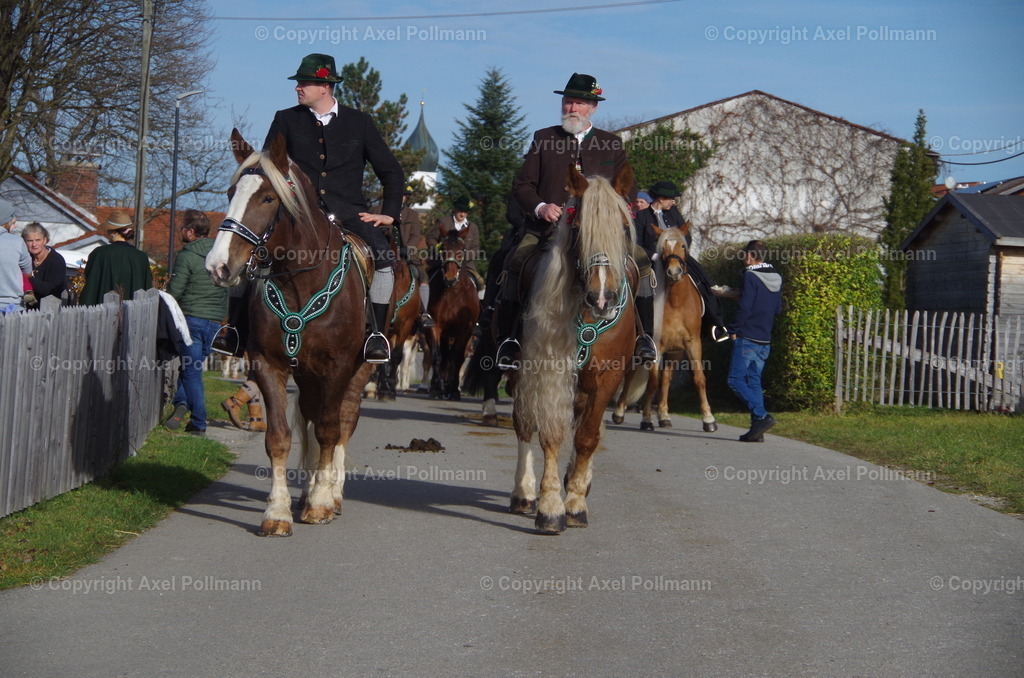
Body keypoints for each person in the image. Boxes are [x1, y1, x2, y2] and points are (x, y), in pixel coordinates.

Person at [495, 73, 656, 369]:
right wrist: (541, 207)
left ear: (593, 107)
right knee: (515, 260)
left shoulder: (611, 144)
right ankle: (509, 340)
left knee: (642, 262)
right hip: (547, 231)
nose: (571, 108)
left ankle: (645, 337)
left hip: (599, 235)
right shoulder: (544, 138)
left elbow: (627, 190)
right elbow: (522, 185)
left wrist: (619, 210)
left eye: (579, 103)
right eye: (568, 101)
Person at [264, 53, 405, 363]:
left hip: (350, 213)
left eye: (304, 83)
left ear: (324, 86)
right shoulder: (285, 119)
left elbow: (392, 173)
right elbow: (268, 169)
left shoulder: (360, 123)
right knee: (254, 250)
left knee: (383, 259)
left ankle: (376, 335)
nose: (297, 88)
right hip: (298, 214)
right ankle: (235, 328)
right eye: (298, 83)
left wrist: (389, 214)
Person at [635, 180, 729, 341]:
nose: (673, 201)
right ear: (660, 199)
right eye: (670, 199)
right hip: (653, 260)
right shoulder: (642, 216)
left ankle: (715, 325)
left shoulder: (673, 212)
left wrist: (680, 253)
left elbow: (687, 235)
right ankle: (643, 334)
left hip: (676, 257)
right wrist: (654, 255)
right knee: (641, 289)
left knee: (703, 282)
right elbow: (636, 243)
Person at [162, 210, 229, 436]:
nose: (180, 231)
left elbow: (175, 291)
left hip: (191, 320)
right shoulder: (221, 255)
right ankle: (180, 406)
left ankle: (199, 423)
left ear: (191, 231)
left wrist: (163, 298)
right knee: (192, 369)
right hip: (214, 323)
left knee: (191, 373)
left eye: (182, 227)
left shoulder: (187, 255)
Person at [727, 240, 783, 443]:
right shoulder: (776, 277)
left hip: (747, 337)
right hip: (765, 338)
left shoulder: (750, 276)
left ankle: (761, 416)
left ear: (750, 256)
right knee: (754, 381)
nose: (744, 257)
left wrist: (732, 329)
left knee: (735, 380)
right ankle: (756, 431)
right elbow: (777, 309)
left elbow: (745, 308)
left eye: (745, 254)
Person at [79, 210, 152, 305]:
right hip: (133, 314)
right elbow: (147, 287)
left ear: (113, 232)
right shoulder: (141, 257)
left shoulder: (99, 253)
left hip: (101, 311)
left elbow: (91, 284)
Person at [425, 196, 485, 293]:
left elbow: (475, 248)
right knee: (424, 281)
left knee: (481, 283)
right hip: (441, 262)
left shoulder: (473, 227)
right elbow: (430, 238)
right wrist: (439, 249)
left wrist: (462, 257)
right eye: (460, 210)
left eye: (465, 211)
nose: (462, 214)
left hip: (466, 265)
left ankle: (483, 307)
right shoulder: (443, 221)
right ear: (455, 209)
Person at [397, 189, 433, 327]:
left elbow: (416, 235)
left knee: (422, 277)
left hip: (407, 256)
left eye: (403, 196)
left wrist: (408, 248)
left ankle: (423, 312)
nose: (401, 198)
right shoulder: (377, 209)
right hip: (383, 253)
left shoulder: (412, 215)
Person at [22, 222, 67, 306]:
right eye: (30, 241)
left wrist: (29, 278)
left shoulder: (56, 260)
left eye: (38, 240)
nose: (34, 244)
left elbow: (50, 289)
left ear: (45, 240)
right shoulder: (24, 258)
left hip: (51, 308)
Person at [0, 199, 31, 314]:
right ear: (5, 222)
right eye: (12, 222)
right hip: (10, 306)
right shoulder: (17, 242)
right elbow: (27, 272)